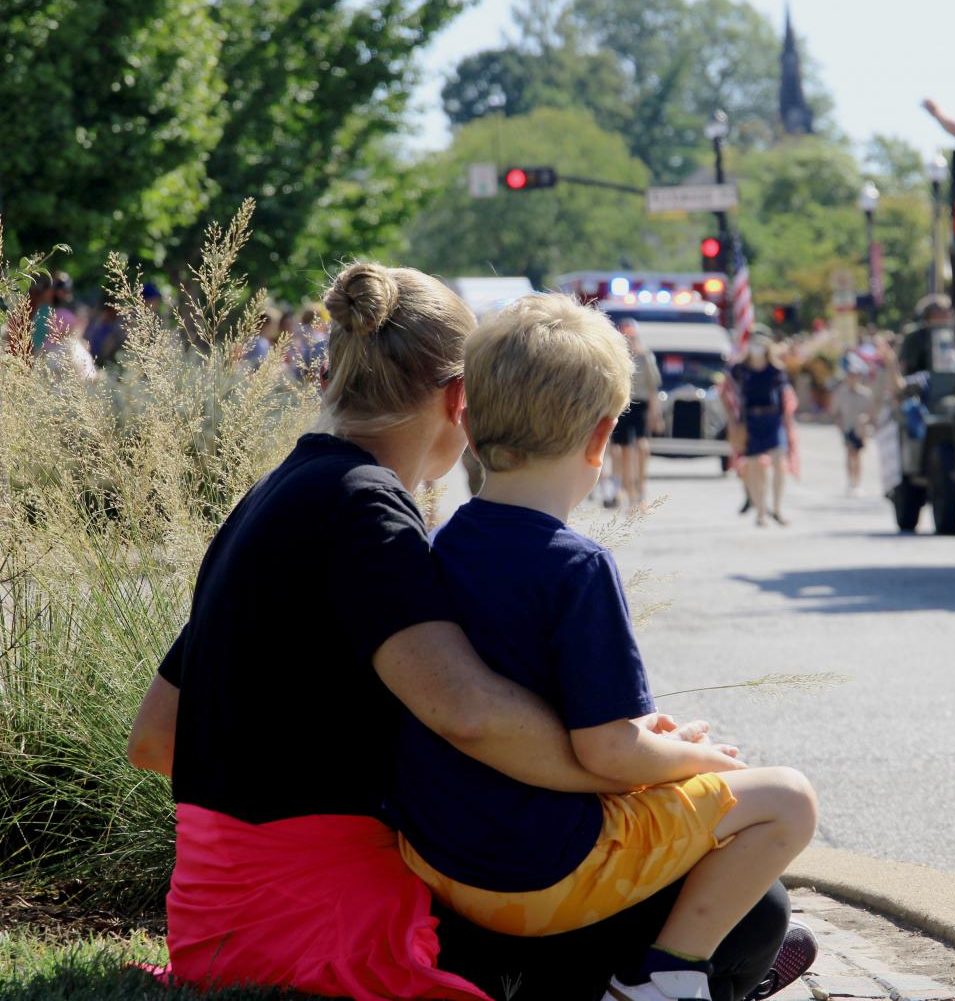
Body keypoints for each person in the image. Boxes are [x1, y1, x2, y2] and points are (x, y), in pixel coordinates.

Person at [125, 262, 803, 1001]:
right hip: (322, 919)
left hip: (213, 912)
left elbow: (155, 739)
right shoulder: (366, 510)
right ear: (460, 401)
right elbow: (471, 714)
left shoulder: (275, 492)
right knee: (752, 916)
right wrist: (627, 766)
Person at [393, 293, 817, 1001]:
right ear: (600, 439)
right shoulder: (578, 566)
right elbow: (610, 753)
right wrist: (696, 757)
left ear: (466, 423)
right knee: (786, 799)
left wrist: (653, 741)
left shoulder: (435, 545)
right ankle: (665, 974)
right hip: (542, 871)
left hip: (442, 863)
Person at [732, 336, 793, 527]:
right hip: (750, 420)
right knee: (753, 467)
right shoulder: (741, 369)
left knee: (778, 463)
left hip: (772, 419)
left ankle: (777, 508)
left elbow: (784, 395)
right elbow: (729, 384)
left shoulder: (775, 369)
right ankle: (760, 512)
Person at [610, 317, 663, 512]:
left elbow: (652, 388)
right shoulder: (615, 356)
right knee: (622, 450)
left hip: (640, 405)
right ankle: (625, 490)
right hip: (621, 405)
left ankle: (641, 490)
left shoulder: (644, 356)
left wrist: (655, 414)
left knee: (642, 447)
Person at [830, 356, 875, 495]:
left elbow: (871, 413)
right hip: (847, 427)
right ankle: (850, 482)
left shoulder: (865, 394)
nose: (852, 378)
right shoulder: (841, 393)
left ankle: (857, 482)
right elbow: (835, 412)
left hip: (860, 430)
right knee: (849, 454)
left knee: (858, 456)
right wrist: (839, 425)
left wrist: (865, 420)